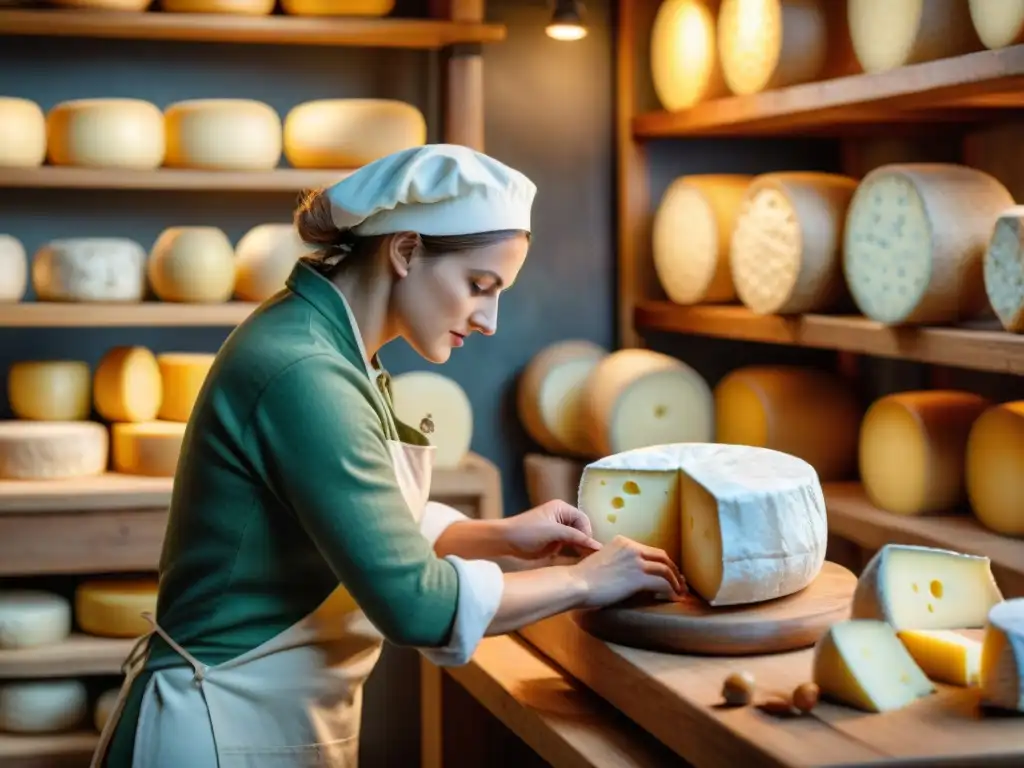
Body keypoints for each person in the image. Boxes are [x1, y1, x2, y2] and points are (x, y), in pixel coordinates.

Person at [92, 143, 685, 768]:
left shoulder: (333, 344)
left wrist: (498, 536)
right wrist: (583, 581)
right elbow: (415, 606)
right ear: (405, 251)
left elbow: (351, 522)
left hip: (259, 718)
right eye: (479, 285)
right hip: (214, 726)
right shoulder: (307, 370)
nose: (489, 319)